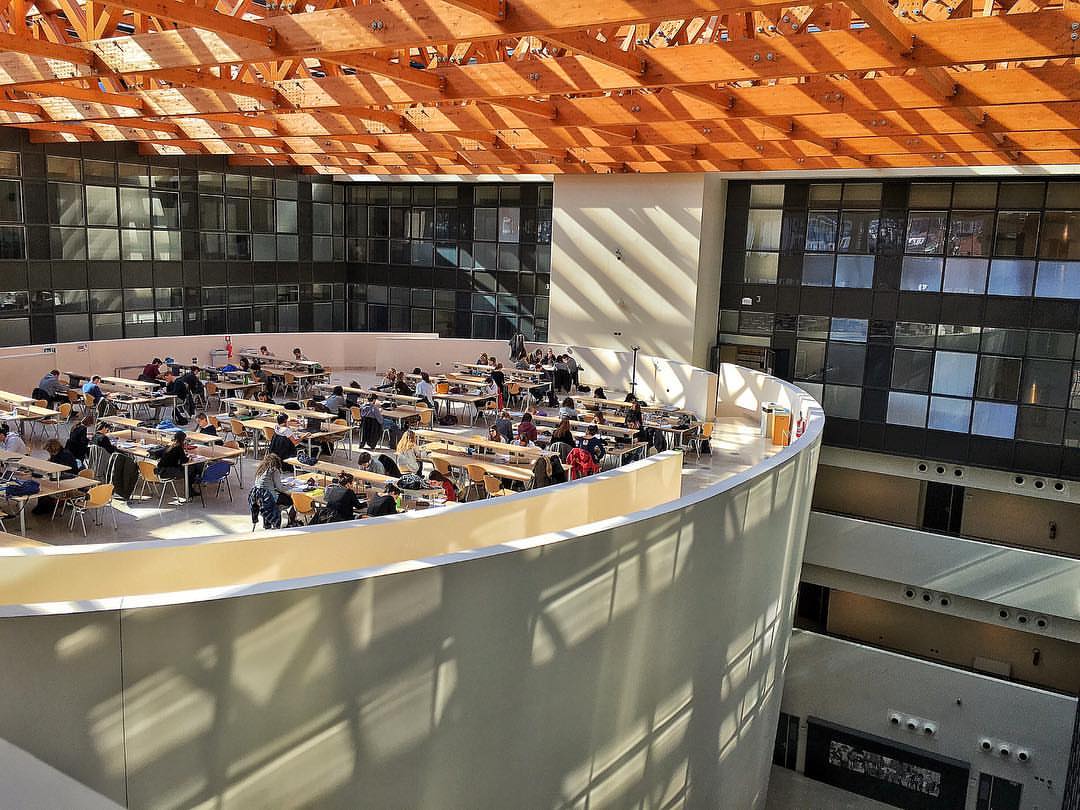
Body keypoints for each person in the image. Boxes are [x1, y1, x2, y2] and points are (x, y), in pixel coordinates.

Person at [31, 439, 79, 514]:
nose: (49, 453)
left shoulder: (65, 455)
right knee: (44, 483)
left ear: (53, 449)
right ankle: (43, 507)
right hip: (63, 476)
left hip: (69, 478)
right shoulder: (59, 454)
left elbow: (62, 469)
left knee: (46, 485)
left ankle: (45, 507)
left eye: (49, 451)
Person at [249, 453, 291, 529]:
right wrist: (289, 488)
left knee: (266, 504)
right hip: (267, 497)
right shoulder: (274, 470)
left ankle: (267, 525)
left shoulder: (261, 470)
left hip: (256, 497)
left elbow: (267, 484)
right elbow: (280, 488)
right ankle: (286, 521)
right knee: (290, 500)